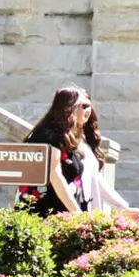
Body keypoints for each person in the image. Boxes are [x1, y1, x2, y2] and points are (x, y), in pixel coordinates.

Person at [18, 86, 95, 218]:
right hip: (44, 216)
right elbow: (55, 175)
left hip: (62, 213)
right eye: (83, 106)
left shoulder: (66, 136)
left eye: (89, 106)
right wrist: (77, 213)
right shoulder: (49, 135)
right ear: (69, 107)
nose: (88, 111)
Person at [79, 103, 139, 221]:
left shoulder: (85, 143)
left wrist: (122, 207)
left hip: (83, 215)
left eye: (87, 106)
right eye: (81, 105)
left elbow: (96, 180)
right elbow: (57, 178)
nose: (85, 111)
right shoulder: (56, 140)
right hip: (62, 214)